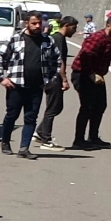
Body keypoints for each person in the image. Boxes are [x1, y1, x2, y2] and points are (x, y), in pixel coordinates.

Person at [0, 11, 55, 158]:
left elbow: (56, 60)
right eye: (34, 23)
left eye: (40, 23)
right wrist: (2, 78)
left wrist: (49, 79)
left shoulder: (47, 41)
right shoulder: (15, 39)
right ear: (26, 23)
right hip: (16, 86)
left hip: (36, 87)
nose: (37, 26)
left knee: (31, 117)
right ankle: (6, 142)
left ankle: (24, 148)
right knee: (11, 116)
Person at [69, 14, 111, 148]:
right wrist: (91, 74)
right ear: (108, 26)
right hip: (83, 74)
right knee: (87, 107)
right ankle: (79, 140)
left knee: (100, 106)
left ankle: (93, 137)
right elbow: (85, 56)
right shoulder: (97, 38)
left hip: (98, 76)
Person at [34, 16, 79, 149]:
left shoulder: (58, 38)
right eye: (74, 27)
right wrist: (64, 79)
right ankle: (46, 139)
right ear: (66, 25)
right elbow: (60, 61)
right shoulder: (58, 39)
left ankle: (40, 132)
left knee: (56, 107)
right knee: (52, 108)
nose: (75, 31)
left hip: (51, 77)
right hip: (53, 77)